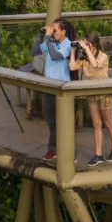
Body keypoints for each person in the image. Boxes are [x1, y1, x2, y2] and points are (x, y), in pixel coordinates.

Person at [69, 34, 112, 166]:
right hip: (92, 93)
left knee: (108, 123)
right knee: (97, 125)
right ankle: (98, 155)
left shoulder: (102, 56)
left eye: (88, 43)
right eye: (84, 43)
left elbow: (95, 65)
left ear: (94, 44)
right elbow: (72, 67)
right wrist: (73, 50)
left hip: (105, 94)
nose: (85, 46)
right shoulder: (84, 58)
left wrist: (86, 49)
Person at [30, 18, 72, 160]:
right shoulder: (50, 42)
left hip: (63, 89)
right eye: (51, 29)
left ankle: (69, 151)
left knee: (64, 122)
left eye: (55, 30)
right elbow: (34, 51)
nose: (52, 32)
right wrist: (41, 36)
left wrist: (48, 38)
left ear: (63, 31)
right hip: (49, 87)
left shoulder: (68, 45)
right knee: (51, 121)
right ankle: (53, 149)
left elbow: (55, 56)